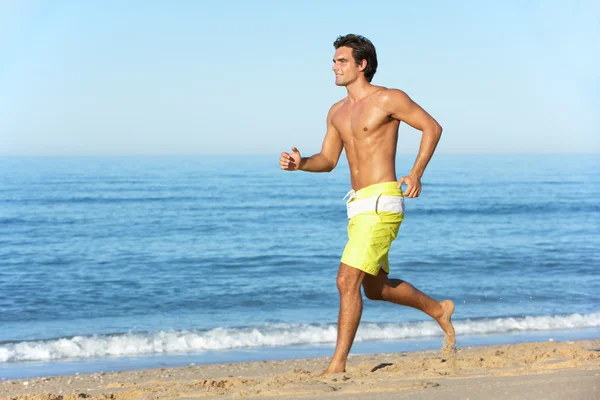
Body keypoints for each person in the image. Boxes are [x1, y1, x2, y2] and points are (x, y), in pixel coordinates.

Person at [279, 34, 455, 376]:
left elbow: (432, 127)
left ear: (362, 65)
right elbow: (329, 160)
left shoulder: (388, 99)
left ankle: (337, 366)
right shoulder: (337, 112)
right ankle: (438, 310)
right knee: (374, 288)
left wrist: (416, 173)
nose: (334, 66)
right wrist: (301, 164)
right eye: (333, 61)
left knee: (346, 280)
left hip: (383, 200)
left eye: (342, 60)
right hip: (357, 205)